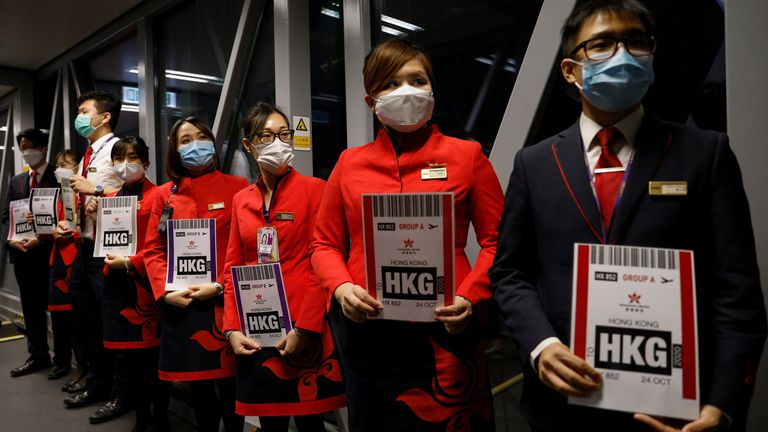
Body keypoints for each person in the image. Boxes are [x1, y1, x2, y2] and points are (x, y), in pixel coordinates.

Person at [489, 1, 767, 431]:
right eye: (602, 44)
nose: (623, 54)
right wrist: (541, 346)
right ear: (570, 70)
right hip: (559, 404)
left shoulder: (704, 154)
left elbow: (737, 292)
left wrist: (724, 403)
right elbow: (511, 272)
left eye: (636, 41)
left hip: (673, 410)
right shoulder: (535, 163)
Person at [311, 39, 504, 431]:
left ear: (432, 90)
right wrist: (341, 288)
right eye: (392, 83)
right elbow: (324, 244)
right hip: (368, 332)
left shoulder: (467, 156)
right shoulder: (350, 163)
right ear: (371, 101)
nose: (406, 91)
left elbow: (498, 242)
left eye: (417, 80)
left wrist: (471, 296)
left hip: (446, 329)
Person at [221, 103, 345, 431]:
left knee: (310, 423)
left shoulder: (315, 190)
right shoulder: (241, 200)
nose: (277, 142)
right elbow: (233, 266)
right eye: (266, 135)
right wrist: (232, 329)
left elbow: (321, 262)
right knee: (269, 422)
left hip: (303, 327)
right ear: (248, 145)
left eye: (283, 134)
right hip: (257, 326)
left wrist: (304, 329)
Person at [143, 116, 248, 432]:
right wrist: (165, 291)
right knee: (200, 388)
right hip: (183, 303)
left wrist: (219, 285)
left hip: (226, 301)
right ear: (174, 150)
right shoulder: (165, 196)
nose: (195, 144)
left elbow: (245, 248)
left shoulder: (239, 188)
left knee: (232, 389)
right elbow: (153, 250)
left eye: (201, 137)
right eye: (185, 140)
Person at [84, 136, 169, 430]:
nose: (124, 165)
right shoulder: (110, 200)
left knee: (152, 361)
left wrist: (133, 262)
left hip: (145, 284)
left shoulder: (161, 195)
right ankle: (142, 417)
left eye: (131, 158)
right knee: (128, 360)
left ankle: (158, 421)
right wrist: (96, 220)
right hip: (117, 287)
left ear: (145, 162)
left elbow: (163, 245)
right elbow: (107, 245)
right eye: (118, 159)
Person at [61, 90, 130, 424]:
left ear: (104, 117)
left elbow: (136, 193)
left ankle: (121, 393)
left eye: (84, 110)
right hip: (85, 244)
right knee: (86, 318)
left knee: (112, 323)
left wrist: (99, 192)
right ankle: (98, 382)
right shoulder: (89, 153)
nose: (79, 116)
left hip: (111, 250)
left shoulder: (119, 150)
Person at [2, 128, 59, 378]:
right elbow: (7, 217)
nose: (26, 153)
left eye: (30, 147)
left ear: (44, 149)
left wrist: (42, 240)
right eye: (22, 148)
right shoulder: (17, 181)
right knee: (31, 309)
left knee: (58, 309)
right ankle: (38, 355)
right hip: (23, 256)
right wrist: (10, 240)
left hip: (51, 255)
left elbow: (66, 216)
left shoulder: (59, 178)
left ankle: (64, 359)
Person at [49, 149, 88, 393]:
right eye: (58, 164)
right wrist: (53, 229)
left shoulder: (82, 194)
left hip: (76, 260)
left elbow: (84, 228)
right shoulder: (61, 195)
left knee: (81, 320)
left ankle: (87, 369)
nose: (60, 168)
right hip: (59, 260)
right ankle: (79, 365)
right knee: (64, 319)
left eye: (66, 164)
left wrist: (70, 232)